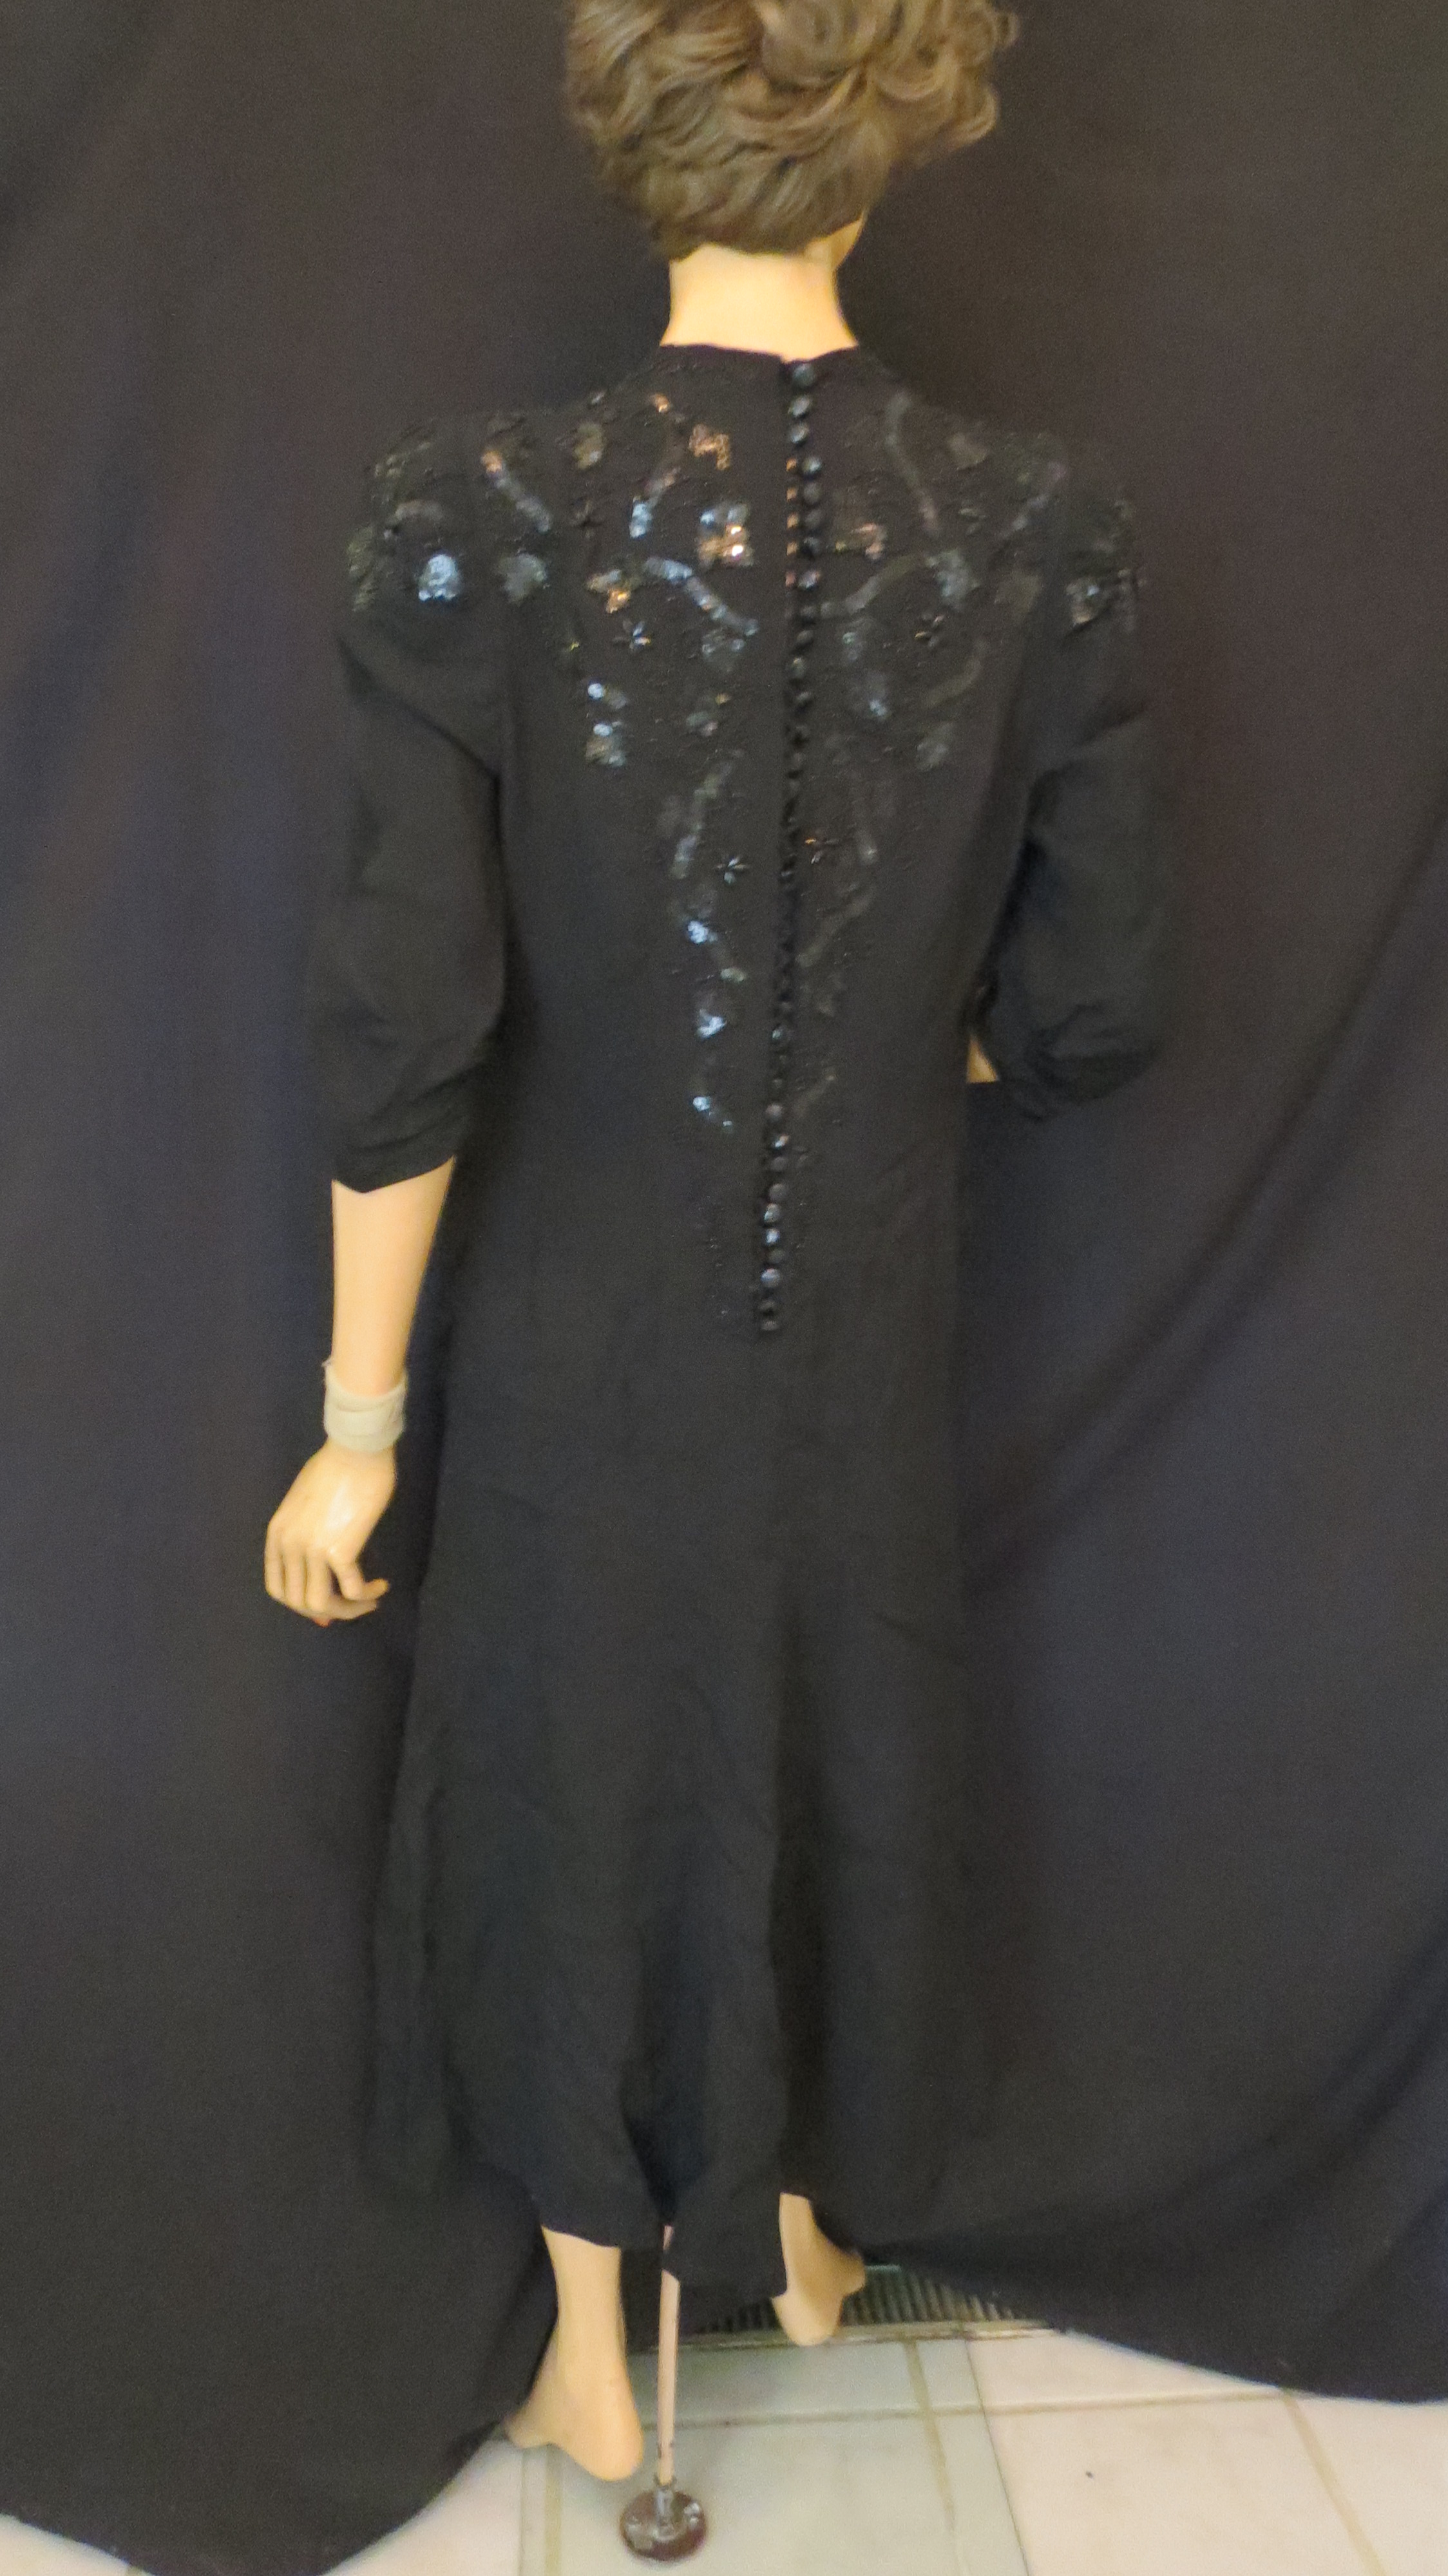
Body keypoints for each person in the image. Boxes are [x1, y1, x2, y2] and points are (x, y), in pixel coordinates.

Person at [265, 0, 1172, 2486]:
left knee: (584, 1759)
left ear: (641, 153)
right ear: (884, 157)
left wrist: (360, 1421)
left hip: (575, 1322)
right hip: (866, 1304)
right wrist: (888, 1064)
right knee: (825, 1718)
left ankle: (598, 2338)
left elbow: (407, 1022)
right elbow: (1097, 1003)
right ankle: (780, 2214)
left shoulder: (480, 513)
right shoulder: (1031, 527)